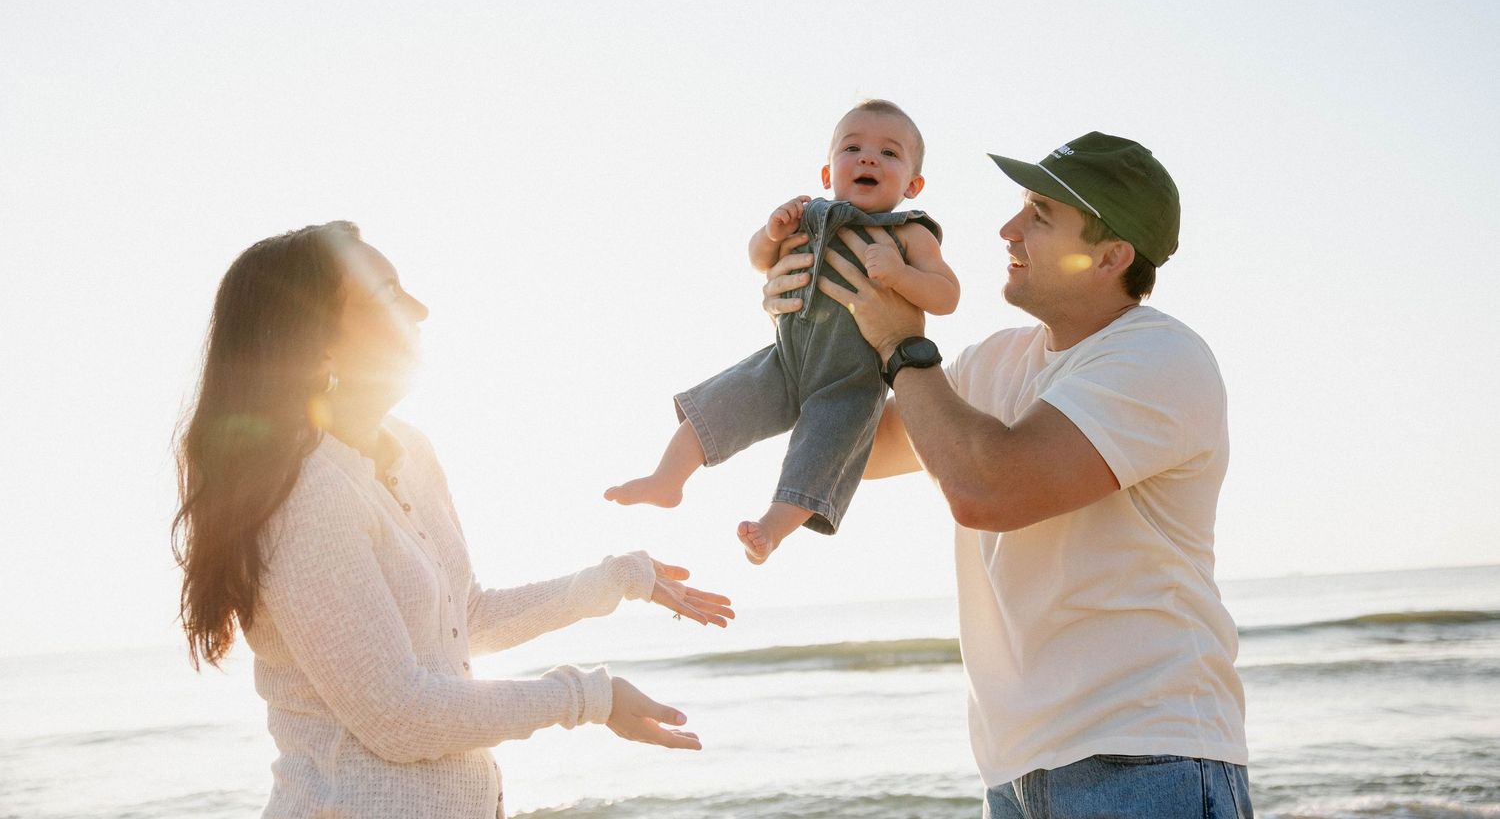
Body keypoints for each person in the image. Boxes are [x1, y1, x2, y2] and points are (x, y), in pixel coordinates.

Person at [171, 221, 734, 819]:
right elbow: (399, 717)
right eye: (388, 295)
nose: (420, 309)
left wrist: (617, 579)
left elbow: (465, 619)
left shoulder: (409, 451)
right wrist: (587, 697)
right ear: (319, 343)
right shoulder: (304, 492)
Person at [763, 133, 1253, 817]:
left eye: (1041, 217)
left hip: (1144, 760)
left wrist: (902, 345)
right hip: (1019, 771)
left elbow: (987, 488)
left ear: (1111, 257)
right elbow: (857, 452)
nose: (1007, 229)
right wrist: (811, 318)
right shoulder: (994, 362)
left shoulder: (1160, 357)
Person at [605, 99, 960, 564]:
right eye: (852, 148)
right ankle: (667, 479)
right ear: (828, 175)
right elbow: (760, 261)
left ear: (913, 184)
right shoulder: (807, 214)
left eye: (889, 153)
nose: (869, 158)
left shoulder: (910, 234)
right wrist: (771, 234)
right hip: (786, 357)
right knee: (719, 404)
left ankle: (771, 529)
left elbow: (946, 295)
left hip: (850, 377)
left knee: (821, 451)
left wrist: (899, 274)